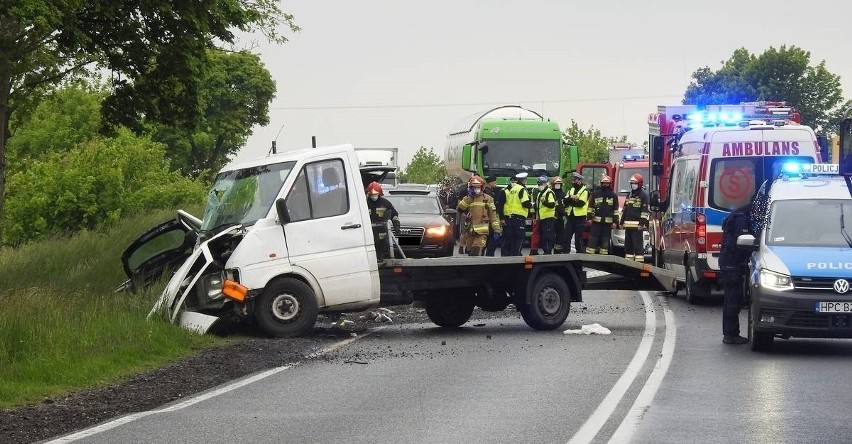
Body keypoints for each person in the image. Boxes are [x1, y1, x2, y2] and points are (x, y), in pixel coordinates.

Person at [719, 202, 754, 345]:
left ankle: (730, 333)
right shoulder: (741, 219)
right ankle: (731, 334)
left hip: (728, 262)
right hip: (733, 264)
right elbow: (743, 242)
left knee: (730, 299)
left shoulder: (736, 215)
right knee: (733, 300)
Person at [456, 176, 501, 256]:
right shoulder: (467, 199)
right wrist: (470, 198)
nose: (476, 188)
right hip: (470, 231)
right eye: (474, 187)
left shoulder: (488, 199)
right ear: (470, 187)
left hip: (482, 231)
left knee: (476, 250)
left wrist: (496, 230)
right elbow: (460, 209)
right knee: (469, 251)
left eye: (478, 187)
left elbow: (493, 216)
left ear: (482, 187)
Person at [366, 181, 400, 261]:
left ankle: (381, 257)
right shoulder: (364, 203)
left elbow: (394, 215)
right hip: (369, 233)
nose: (373, 196)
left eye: (375, 194)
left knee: (382, 247)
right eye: (371, 195)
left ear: (379, 193)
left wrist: (396, 226)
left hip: (382, 233)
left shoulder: (385, 203)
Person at [585, 174, 619, 255]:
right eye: (603, 183)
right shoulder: (596, 194)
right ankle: (589, 257)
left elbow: (616, 210)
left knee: (605, 241)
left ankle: (603, 258)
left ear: (610, 184)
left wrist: (615, 222)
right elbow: (590, 207)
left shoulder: (613, 195)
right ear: (601, 183)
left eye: (607, 183)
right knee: (592, 239)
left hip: (607, 223)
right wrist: (589, 218)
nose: (605, 185)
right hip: (596, 222)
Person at [501, 172, 532, 256]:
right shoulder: (522, 189)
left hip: (511, 216)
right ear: (524, 180)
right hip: (519, 217)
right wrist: (531, 205)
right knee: (520, 237)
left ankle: (509, 254)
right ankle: (517, 254)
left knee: (511, 237)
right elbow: (525, 203)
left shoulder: (513, 189)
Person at [620, 173, 649, 262]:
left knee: (638, 247)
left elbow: (644, 211)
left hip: (637, 227)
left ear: (639, 184)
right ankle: (629, 264)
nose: (633, 185)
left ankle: (639, 265)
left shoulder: (643, 195)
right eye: (632, 183)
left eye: (635, 183)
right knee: (628, 247)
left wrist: (641, 224)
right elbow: (625, 210)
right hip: (628, 226)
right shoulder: (630, 195)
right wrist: (621, 222)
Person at [562, 172, 590, 254]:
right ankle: (566, 253)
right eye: (573, 180)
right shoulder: (571, 190)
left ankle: (579, 254)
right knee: (567, 236)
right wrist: (572, 198)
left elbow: (580, 204)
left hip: (580, 218)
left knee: (578, 238)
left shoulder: (585, 191)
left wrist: (570, 200)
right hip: (570, 217)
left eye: (575, 180)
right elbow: (565, 201)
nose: (573, 182)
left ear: (580, 181)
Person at [534, 175, 558, 254]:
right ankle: (545, 250)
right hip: (542, 218)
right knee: (543, 235)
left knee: (547, 236)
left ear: (545, 184)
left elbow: (552, 204)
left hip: (548, 217)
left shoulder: (549, 192)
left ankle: (548, 251)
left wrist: (544, 202)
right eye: (538, 184)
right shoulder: (540, 193)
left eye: (540, 184)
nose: (539, 186)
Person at [483, 175, 504, 256]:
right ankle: (489, 256)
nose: (496, 184)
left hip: (488, 220)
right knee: (491, 241)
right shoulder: (488, 193)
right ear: (490, 183)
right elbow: (491, 208)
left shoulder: (489, 191)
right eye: (495, 182)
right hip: (490, 220)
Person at [551, 177, 567, 253]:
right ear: (553, 185)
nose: (558, 185)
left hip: (560, 218)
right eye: (556, 184)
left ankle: (558, 251)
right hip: (551, 218)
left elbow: (565, 205)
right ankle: (548, 251)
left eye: (559, 184)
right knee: (550, 235)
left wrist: (565, 213)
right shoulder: (550, 193)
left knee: (560, 235)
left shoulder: (563, 194)